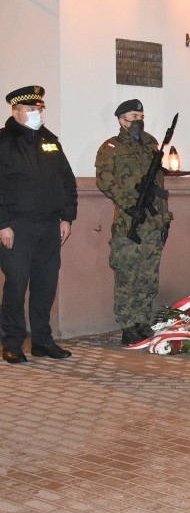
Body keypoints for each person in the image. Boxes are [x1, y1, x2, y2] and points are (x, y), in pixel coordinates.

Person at [0, 85, 77, 363]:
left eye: (39, 109)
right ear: (16, 111)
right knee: (17, 285)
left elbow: (67, 180)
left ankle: (42, 341)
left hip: (49, 225)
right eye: (31, 109)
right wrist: (2, 224)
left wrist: (67, 217)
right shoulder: (4, 141)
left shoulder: (49, 140)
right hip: (17, 227)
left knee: (45, 285)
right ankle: (12, 342)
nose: (37, 113)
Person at [96, 99, 173, 346]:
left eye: (141, 115)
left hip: (153, 221)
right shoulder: (111, 148)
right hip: (130, 221)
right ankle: (128, 324)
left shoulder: (151, 143)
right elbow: (105, 181)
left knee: (149, 274)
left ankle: (142, 320)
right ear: (121, 120)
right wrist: (129, 204)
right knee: (128, 273)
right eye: (133, 116)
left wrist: (163, 216)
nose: (138, 120)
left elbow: (158, 182)